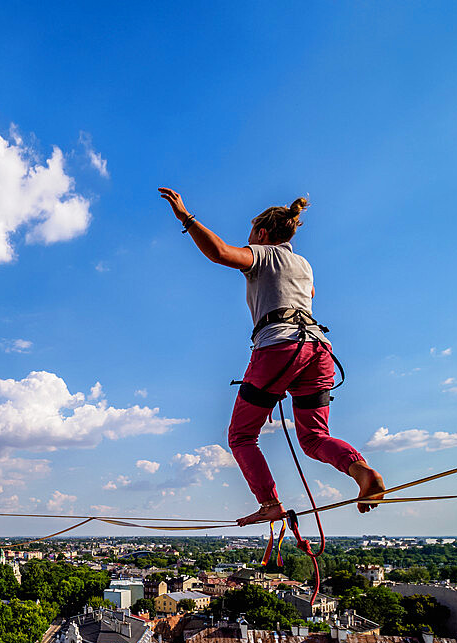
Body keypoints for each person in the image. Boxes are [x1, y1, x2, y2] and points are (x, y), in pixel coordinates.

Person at [158, 188, 384, 525]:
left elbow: (220, 253)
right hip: (318, 349)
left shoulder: (263, 255)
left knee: (241, 435)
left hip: (280, 346)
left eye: (251, 235)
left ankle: (269, 503)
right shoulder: (304, 264)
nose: (247, 241)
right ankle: (361, 471)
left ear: (263, 234)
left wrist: (186, 218)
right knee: (314, 437)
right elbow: (306, 295)